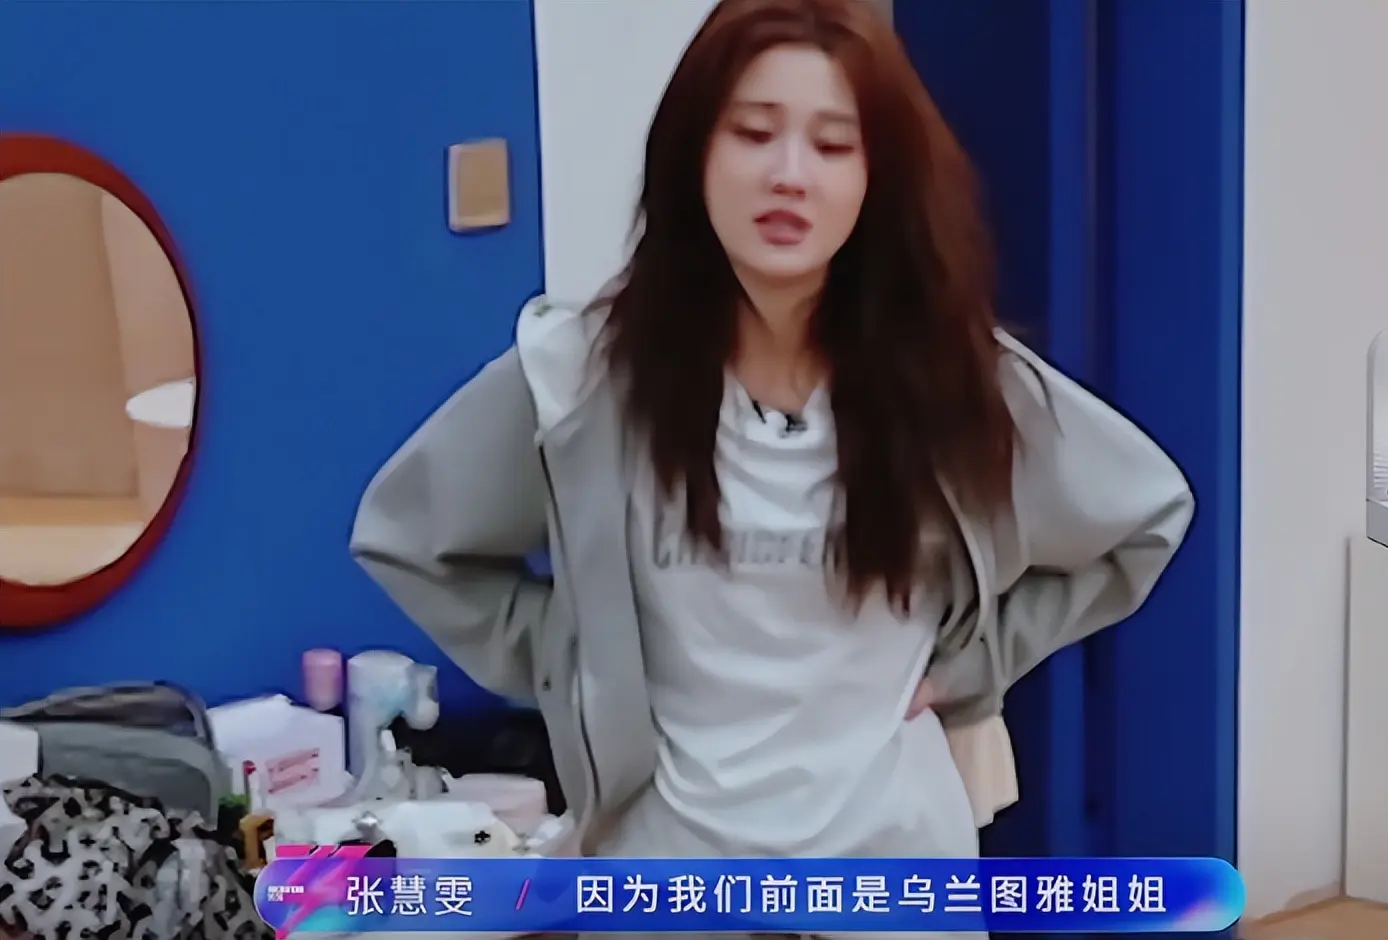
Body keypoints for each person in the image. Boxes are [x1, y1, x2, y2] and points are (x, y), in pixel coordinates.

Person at [350, 0, 1194, 937]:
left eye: (833, 145)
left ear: (878, 176)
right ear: (693, 154)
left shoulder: (958, 386)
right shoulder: (580, 378)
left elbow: (1144, 519)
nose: (789, 174)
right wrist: (576, 654)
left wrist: (975, 662)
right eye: (754, 133)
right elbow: (407, 540)